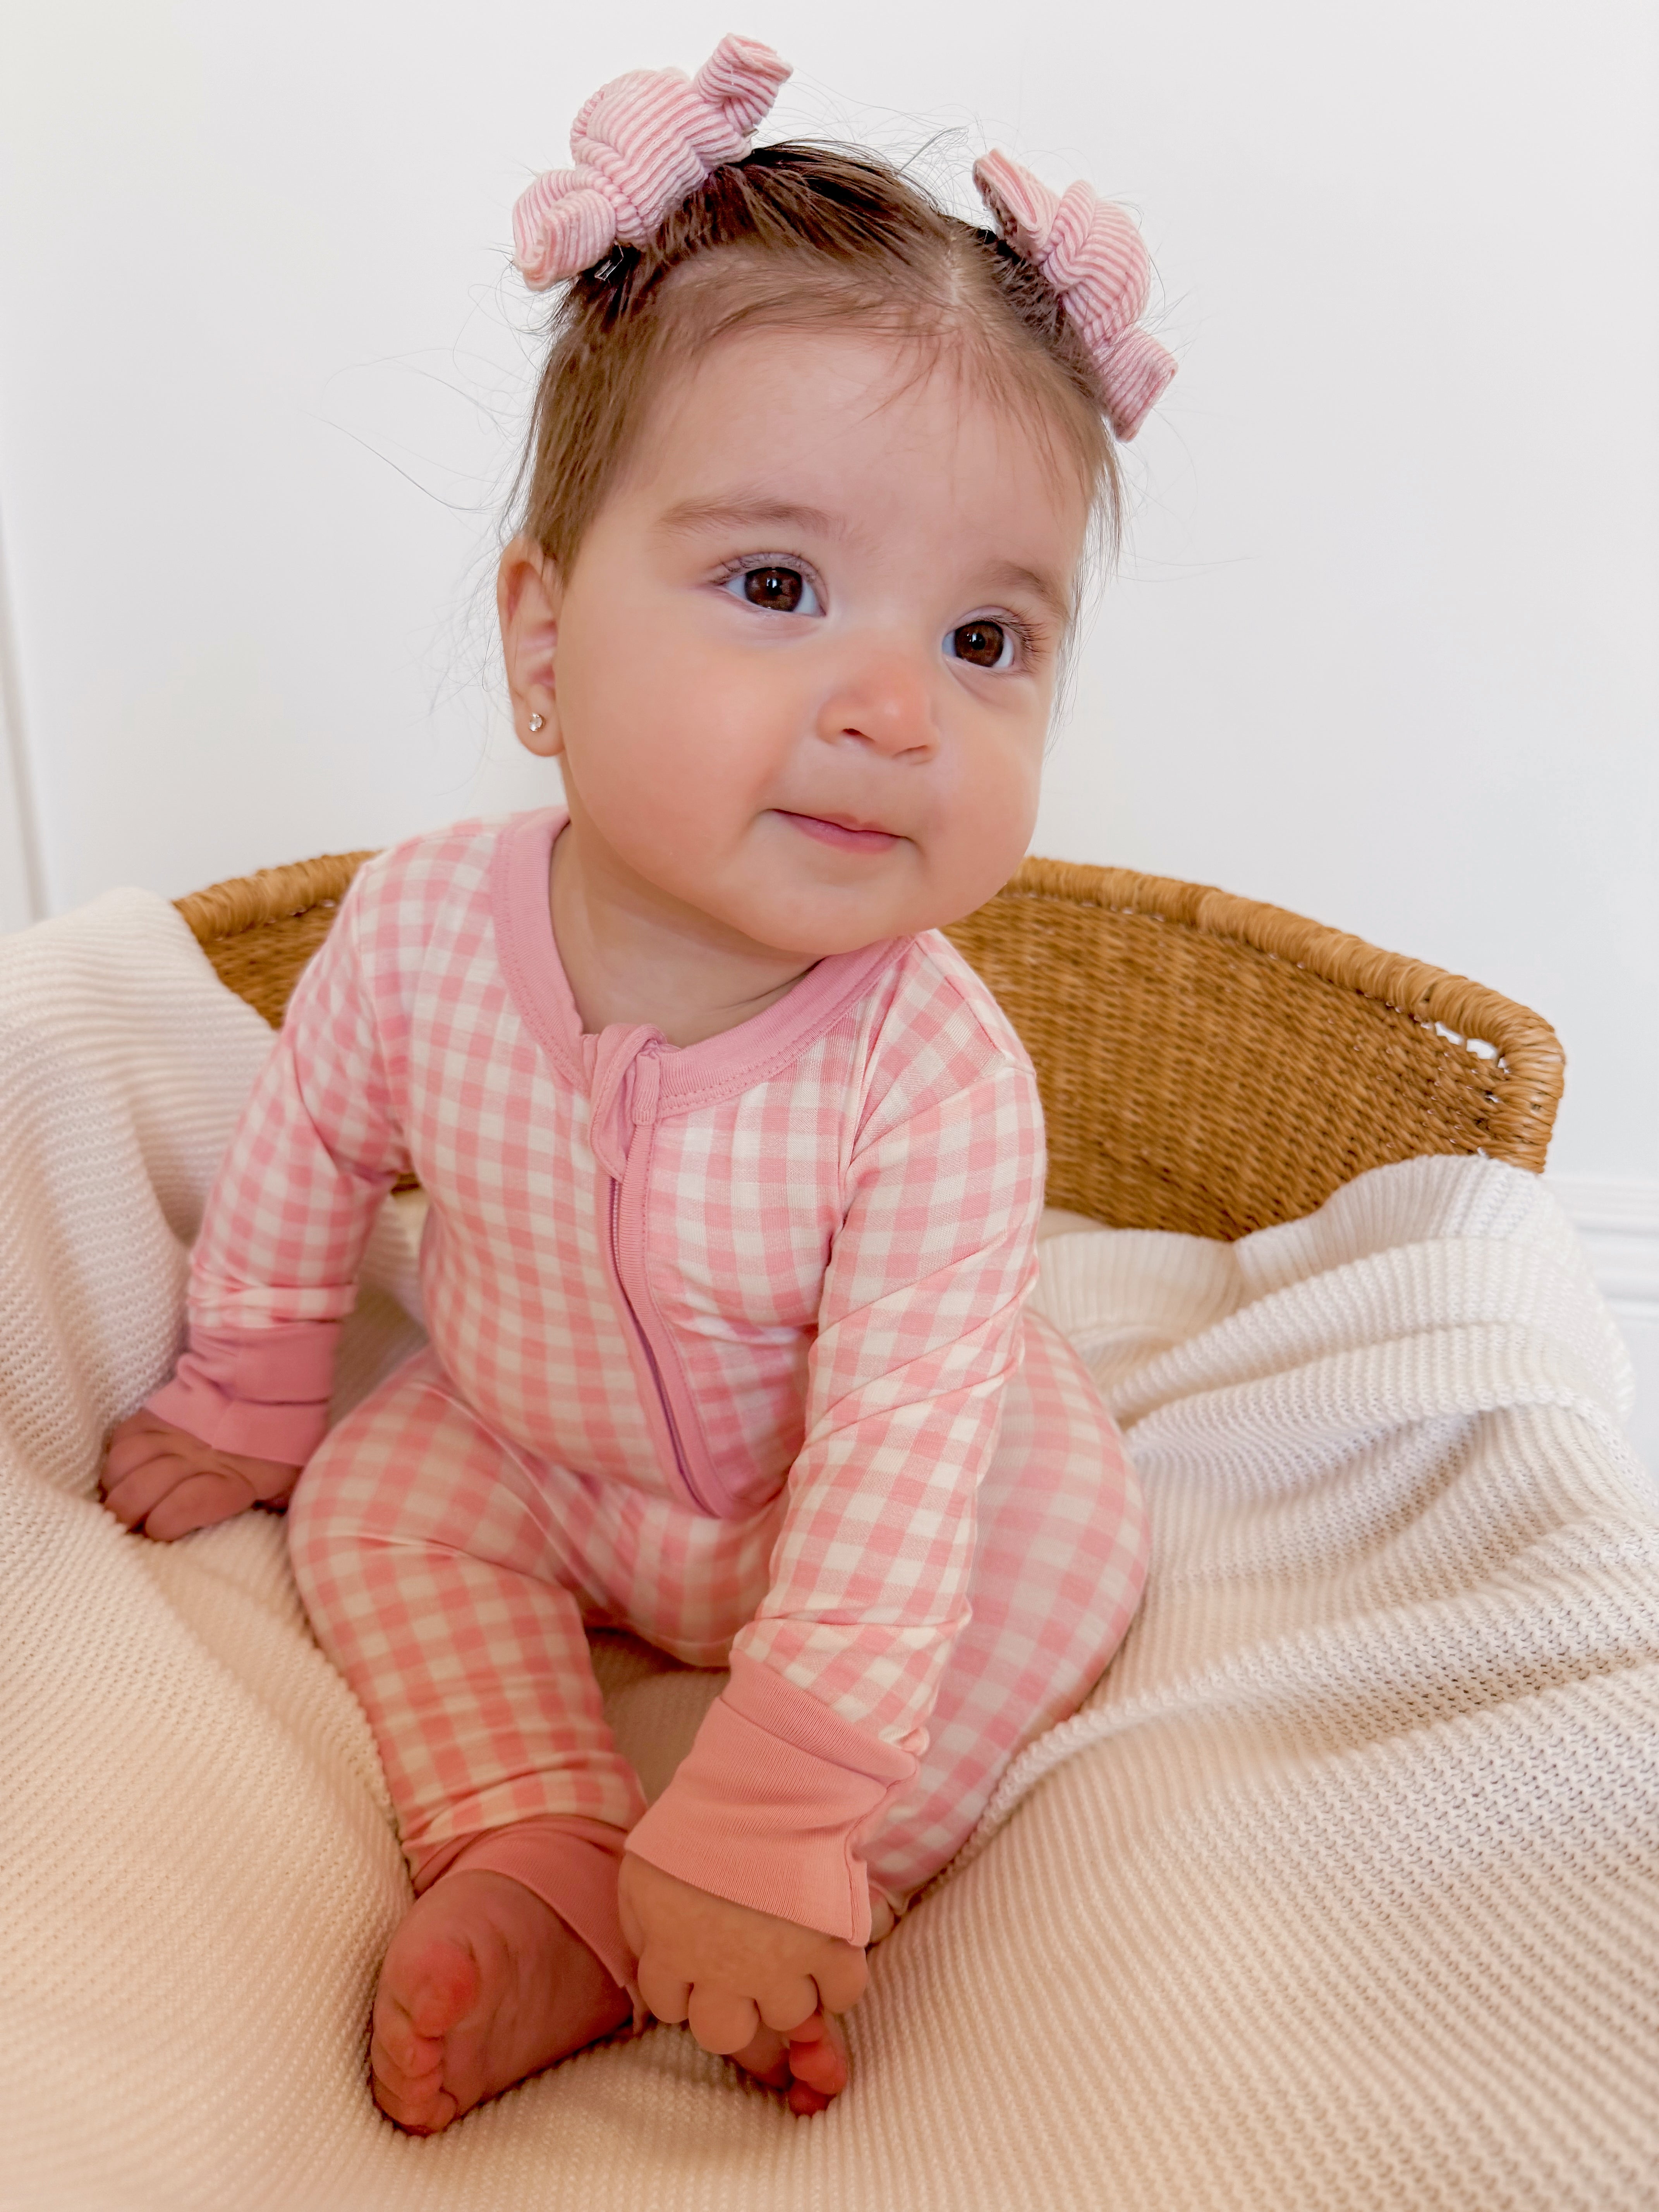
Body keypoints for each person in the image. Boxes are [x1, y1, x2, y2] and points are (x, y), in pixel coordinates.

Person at [99, 33, 1168, 2134]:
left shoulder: (935, 1074)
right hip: (534, 1444)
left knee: (1030, 1594)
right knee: (388, 1518)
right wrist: (248, 1384)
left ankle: (783, 1877)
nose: (894, 706)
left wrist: (783, 1791)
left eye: (989, 640)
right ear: (541, 644)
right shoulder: (420, 931)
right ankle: (546, 1846)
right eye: (778, 589)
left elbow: (893, 1464)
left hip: (847, 1510)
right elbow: (310, 1153)